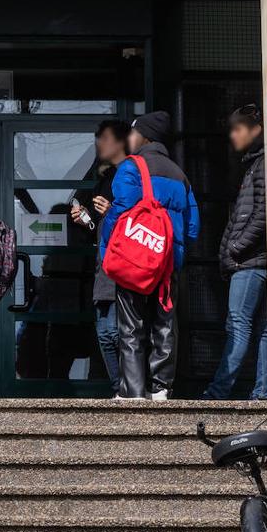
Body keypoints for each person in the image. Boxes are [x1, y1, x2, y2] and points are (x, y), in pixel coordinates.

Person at [99, 111, 200, 401]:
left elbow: (119, 212)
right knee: (165, 323)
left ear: (145, 136)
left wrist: (108, 249)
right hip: (167, 263)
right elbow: (193, 225)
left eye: (132, 133)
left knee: (131, 326)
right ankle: (161, 388)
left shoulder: (132, 167)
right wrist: (175, 251)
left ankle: (132, 391)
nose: (129, 138)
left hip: (135, 261)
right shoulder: (179, 174)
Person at [202, 104, 267, 400]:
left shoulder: (263, 164)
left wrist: (236, 247)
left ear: (256, 129)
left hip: (251, 263)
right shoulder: (256, 164)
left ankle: (219, 392)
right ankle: (263, 393)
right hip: (259, 261)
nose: (233, 135)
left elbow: (263, 213)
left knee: (238, 325)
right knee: (265, 329)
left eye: (237, 128)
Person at [71, 120, 131, 394]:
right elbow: (101, 228)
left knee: (119, 333)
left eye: (104, 138)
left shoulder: (131, 176)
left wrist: (110, 213)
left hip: (126, 267)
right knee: (106, 333)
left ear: (120, 141)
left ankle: (129, 389)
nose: (98, 143)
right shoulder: (105, 180)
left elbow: (138, 223)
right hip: (104, 265)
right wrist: (87, 221)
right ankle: (121, 388)